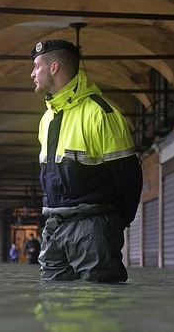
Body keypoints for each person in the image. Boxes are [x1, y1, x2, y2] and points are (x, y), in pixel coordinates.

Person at [29, 39, 143, 282]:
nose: (32, 74)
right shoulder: (47, 119)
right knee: (53, 306)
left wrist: (111, 224)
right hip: (54, 225)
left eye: (37, 67)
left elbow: (128, 177)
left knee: (98, 305)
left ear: (54, 68)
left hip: (93, 228)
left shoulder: (101, 113)